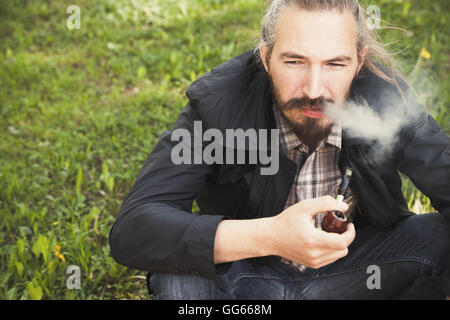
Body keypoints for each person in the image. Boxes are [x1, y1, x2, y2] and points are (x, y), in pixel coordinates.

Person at [109, 0, 450, 299]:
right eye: (294, 62)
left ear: (359, 63)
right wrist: (270, 236)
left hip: (357, 274)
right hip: (245, 280)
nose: (314, 89)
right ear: (265, 55)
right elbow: (134, 229)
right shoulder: (217, 105)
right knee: (180, 269)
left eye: (335, 64)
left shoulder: (388, 100)